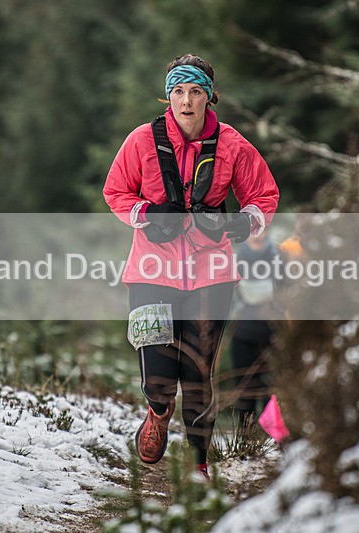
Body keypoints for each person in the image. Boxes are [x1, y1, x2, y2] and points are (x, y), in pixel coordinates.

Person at [103, 53, 279, 479]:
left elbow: (264, 196)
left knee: (198, 374)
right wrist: (146, 214)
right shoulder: (142, 141)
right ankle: (158, 413)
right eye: (178, 91)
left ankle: (199, 466)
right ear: (169, 97)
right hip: (150, 271)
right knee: (159, 377)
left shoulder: (233, 144)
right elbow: (115, 191)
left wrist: (243, 222)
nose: (186, 101)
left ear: (208, 97)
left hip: (212, 273)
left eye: (195, 92)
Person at [229, 228, 278, 427]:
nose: (257, 233)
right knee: (245, 395)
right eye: (251, 229)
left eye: (261, 229)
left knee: (272, 395)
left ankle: (273, 444)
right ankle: (244, 443)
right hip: (243, 336)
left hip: (273, 337)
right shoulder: (234, 259)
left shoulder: (278, 257)